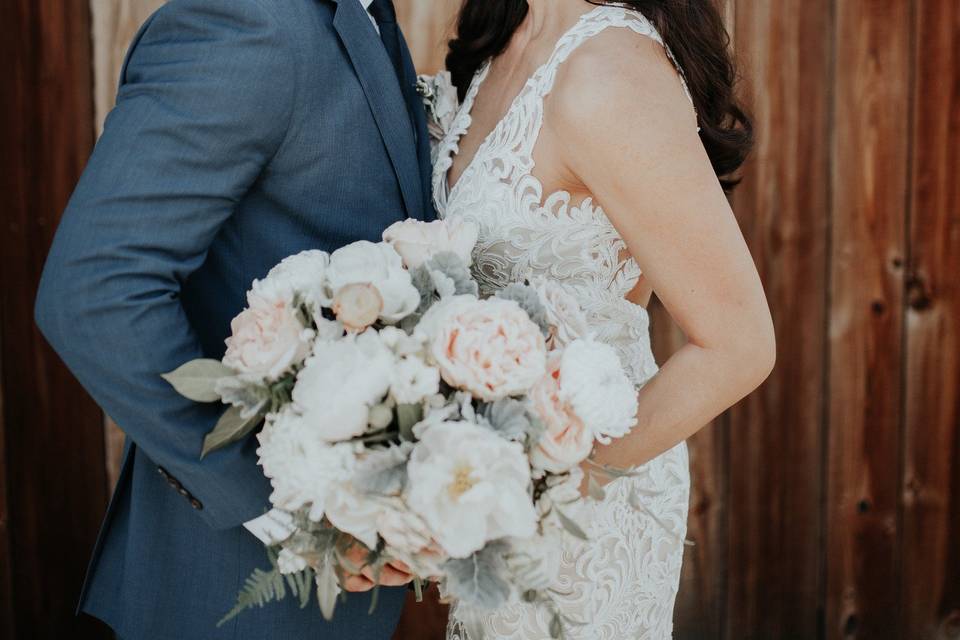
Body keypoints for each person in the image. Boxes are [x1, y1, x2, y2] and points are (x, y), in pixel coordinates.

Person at [34, 0, 426, 638]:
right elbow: (96, 290)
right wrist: (284, 504)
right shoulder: (252, 23)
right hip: (224, 596)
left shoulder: (367, 14)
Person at [434, 1, 774, 637]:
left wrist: (547, 482)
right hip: (490, 503)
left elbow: (740, 345)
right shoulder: (499, 39)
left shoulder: (609, 70)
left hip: (578, 518)